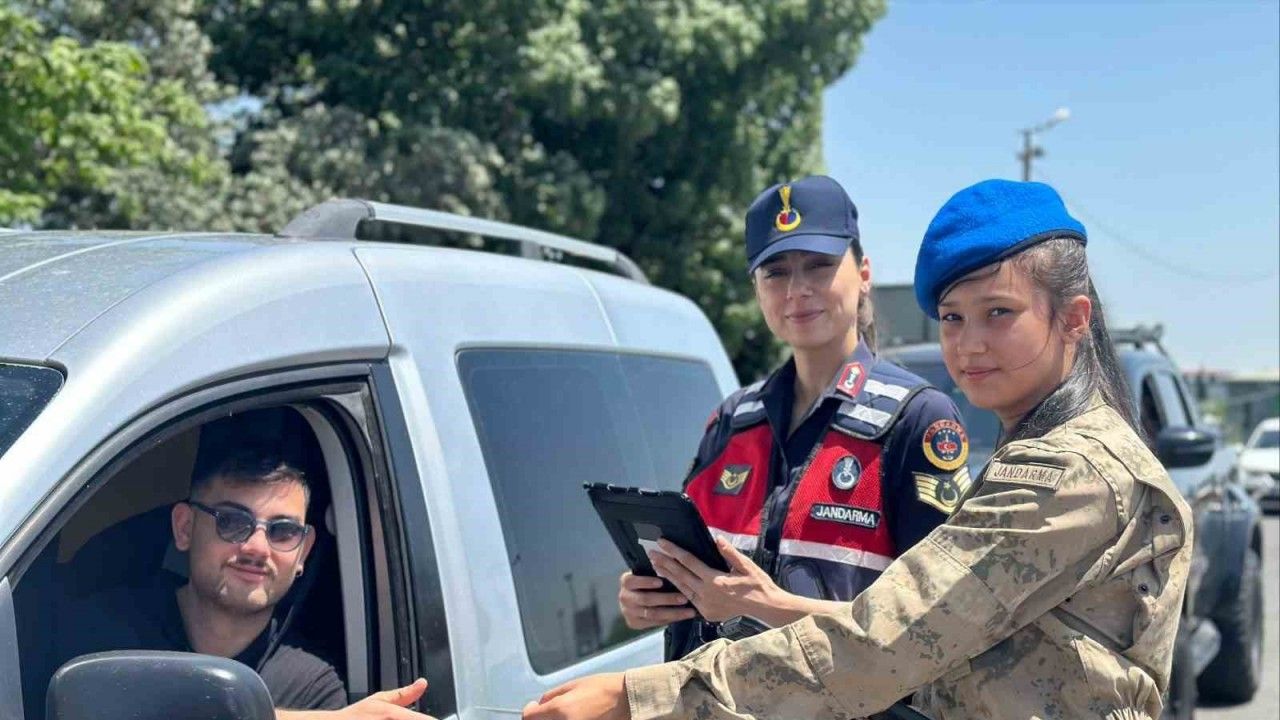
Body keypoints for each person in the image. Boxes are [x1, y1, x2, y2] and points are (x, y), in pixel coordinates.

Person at [521, 179, 1192, 720]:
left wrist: (637, 698)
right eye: (952, 318)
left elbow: (891, 637)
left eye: (999, 313)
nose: (969, 344)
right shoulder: (735, 418)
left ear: (1074, 319)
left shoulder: (1056, 470)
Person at [616, 175, 968, 668]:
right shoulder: (732, 419)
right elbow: (695, 570)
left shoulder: (915, 419)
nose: (797, 290)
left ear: (864, 273)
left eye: (819, 265)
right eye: (775, 272)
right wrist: (652, 596)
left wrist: (768, 606)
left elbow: (943, 621)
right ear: (756, 289)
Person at [36, 443, 435, 720]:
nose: (257, 548)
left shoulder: (313, 685)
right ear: (185, 528)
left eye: (283, 531)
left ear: (303, 552)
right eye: (232, 522)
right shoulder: (101, 634)